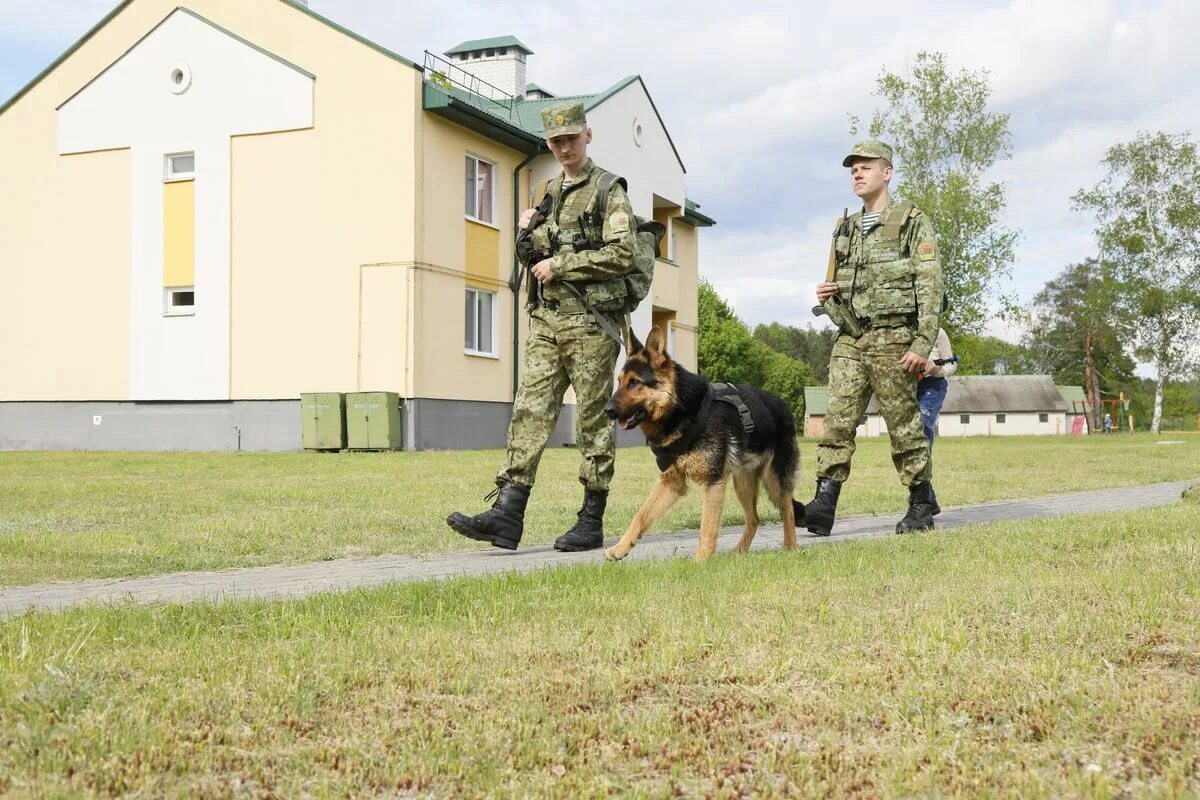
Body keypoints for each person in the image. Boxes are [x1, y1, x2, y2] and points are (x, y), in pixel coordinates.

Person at [446, 100, 638, 552]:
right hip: (547, 322)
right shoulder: (546, 191)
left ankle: (591, 520)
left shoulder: (610, 190)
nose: (564, 147)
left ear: (586, 136)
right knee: (529, 411)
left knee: (592, 420)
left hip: (591, 326)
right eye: (556, 141)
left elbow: (622, 254)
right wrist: (526, 234)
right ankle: (507, 515)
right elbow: (531, 255)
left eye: (571, 138)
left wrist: (562, 263)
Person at [801, 140, 944, 536]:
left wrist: (922, 343)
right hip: (851, 337)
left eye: (866, 166)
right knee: (837, 422)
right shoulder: (844, 228)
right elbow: (838, 284)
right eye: (852, 169)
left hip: (895, 338)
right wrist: (826, 297)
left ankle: (920, 503)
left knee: (903, 425)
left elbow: (931, 287)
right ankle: (823, 504)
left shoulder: (912, 221)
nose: (858, 174)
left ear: (887, 172)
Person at [918, 326, 957, 515]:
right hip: (907, 386)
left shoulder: (938, 332)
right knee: (907, 441)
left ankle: (923, 499)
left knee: (921, 429)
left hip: (932, 385)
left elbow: (952, 365)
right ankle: (929, 498)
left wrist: (937, 370)